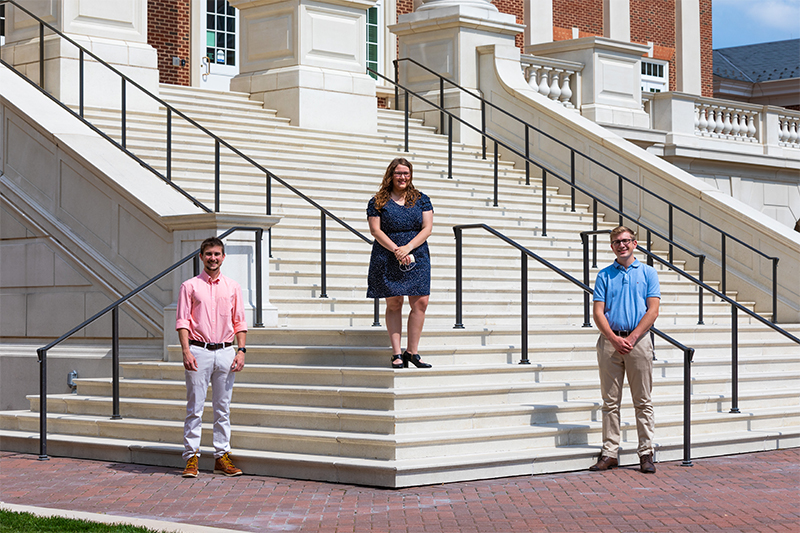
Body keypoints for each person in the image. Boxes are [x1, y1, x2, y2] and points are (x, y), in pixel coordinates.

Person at [590, 226, 661, 474]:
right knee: (610, 402)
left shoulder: (649, 273)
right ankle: (610, 452)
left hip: (638, 342)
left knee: (643, 400)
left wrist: (632, 337)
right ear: (612, 246)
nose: (622, 245)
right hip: (610, 342)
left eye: (626, 241)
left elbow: (653, 310)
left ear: (635, 244)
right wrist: (613, 338)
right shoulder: (604, 275)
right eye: (617, 242)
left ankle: (646, 453)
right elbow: (598, 312)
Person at [176, 236, 247, 478]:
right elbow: (182, 321)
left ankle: (221, 456)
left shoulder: (233, 287)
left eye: (217, 254)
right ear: (201, 257)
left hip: (226, 352)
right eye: (209, 254)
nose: (213, 258)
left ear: (223, 257)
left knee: (222, 407)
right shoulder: (190, 286)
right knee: (195, 407)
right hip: (198, 351)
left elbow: (239, 321)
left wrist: (241, 350)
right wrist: (185, 350)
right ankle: (191, 457)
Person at [367, 158, 434, 369]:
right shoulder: (377, 201)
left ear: (411, 175)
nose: (402, 177)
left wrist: (408, 248)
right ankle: (396, 353)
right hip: (387, 253)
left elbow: (427, 228)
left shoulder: (422, 199)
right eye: (398, 173)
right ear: (391, 175)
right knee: (394, 303)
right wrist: (397, 249)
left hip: (417, 253)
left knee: (421, 302)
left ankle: (412, 352)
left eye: (406, 173)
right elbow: (375, 230)